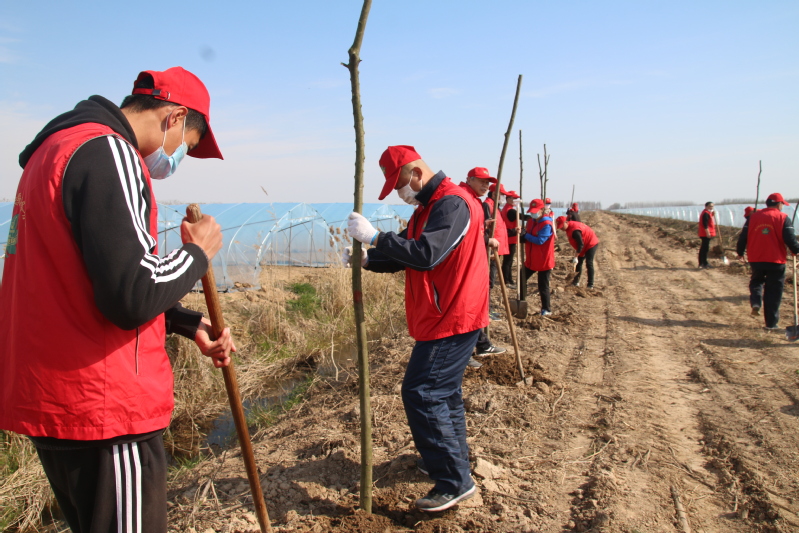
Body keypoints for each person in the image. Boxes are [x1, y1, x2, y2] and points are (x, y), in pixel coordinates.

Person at [0, 67, 235, 533]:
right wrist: (197, 254)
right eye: (186, 145)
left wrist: (186, 323)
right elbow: (132, 292)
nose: (178, 158)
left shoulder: (53, 152)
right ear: (174, 118)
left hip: (57, 400)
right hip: (106, 408)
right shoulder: (111, 152)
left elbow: (91, 277)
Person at [345, 145, 486, 512]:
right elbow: (407, 253)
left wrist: (375, 237)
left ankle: (454, 480)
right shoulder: (428, 208)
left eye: (400, 184)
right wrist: (369, 258)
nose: (399, 193)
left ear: (417, 173)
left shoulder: (452, 204)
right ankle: (454, 462)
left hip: (453, 316)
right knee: (443, 394)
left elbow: (426, 255)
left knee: (422, 392)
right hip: (446, 314)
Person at [462, 168, 507, 360]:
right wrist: (487, 240)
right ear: (469, 179)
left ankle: (479, 346)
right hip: (466, 262)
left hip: (475, 259)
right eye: (481, 181)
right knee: (467, 305)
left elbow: (472, 228)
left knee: (473, 303)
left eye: (488, 182)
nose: (485, 185)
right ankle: (466, 353)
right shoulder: (463, 200)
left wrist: (483, 227)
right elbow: (464, 234)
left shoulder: (474, 200)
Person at [736, 193, 799, 329]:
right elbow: (790, 238)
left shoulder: (752, 217)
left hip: (756, 258)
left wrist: (740, 252)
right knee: (773, 291)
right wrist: (796, 250)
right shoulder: (783, 217)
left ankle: (756, 301)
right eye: (782, 204)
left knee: (756, 281)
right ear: (779, 204)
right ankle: (771, 323)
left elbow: (743, 236)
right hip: (776, 260)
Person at [523, 199, 555, 316]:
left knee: (543, 286)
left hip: (543, 260)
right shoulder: (531, 222)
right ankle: (522, 301)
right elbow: (527, 234)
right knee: (522, 278)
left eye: (535, 211)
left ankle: (546, 309)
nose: (533, 214)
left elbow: (540, 240)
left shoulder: (546, 224)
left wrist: (526, 236)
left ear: (542, 210)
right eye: (532, 211)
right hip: (531, 259)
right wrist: (522, 235)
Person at [556, 216, 600, 289]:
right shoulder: (569, 227)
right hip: (583, 244)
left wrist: (576, 256)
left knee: (589, 263)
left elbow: (580, 244)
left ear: (566, 222)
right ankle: (576, 282)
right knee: (579, 263)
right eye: (560, 227)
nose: (561, 228)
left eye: (562, 226)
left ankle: (590, 284)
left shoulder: (575, 230)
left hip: (591, 243)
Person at [485, 183, 510, 293]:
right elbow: (485, 228)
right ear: (494, 194)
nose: (504, 197)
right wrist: (488, 247)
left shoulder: (496, 207)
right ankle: (487, 301)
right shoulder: (487, 205)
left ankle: (488, 299)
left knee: (492, 274)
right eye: (502, 194)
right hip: (491, 247)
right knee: (489, 276)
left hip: (496, 246)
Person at [500, 189, 521, 286]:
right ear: (508, 199)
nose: (515, 200)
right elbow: (521, 216)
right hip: (510, 238)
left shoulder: (507, 208)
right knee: (508, 261)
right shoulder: (510, 210)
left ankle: (508, 279)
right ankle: (507, 280)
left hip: (509, 237)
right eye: (513, 198)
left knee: (508, 261)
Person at [698, 201, 716, 269]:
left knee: (704, 248)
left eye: (712, 206)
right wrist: (708, 233)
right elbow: (705, 224)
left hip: (704, 233)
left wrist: (712, 214)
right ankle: (704, 263)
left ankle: (701, 263)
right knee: (705, 249)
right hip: (705, 234)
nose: (711, 207)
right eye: (710, 206)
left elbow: (708, 220)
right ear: (706, 206)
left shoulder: (707, 213)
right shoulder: (705, 213)